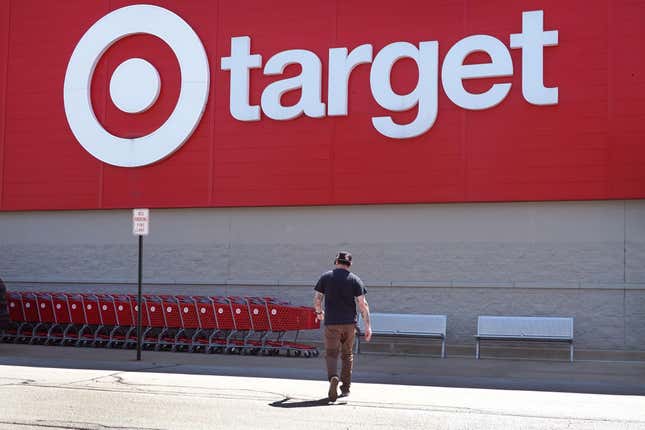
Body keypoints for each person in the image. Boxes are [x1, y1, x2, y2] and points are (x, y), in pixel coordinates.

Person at [314, 251, 372, 402]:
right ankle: (345, 388)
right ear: (349, 264)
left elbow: (318, 299)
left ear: (336, 262)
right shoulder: (355, 280)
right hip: (349, 324)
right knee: (347, 355)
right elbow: (363, 304)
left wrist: (319, 313)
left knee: (331, 353)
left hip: (331, 323)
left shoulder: (326, 277)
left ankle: (333, 377)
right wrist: (367, 326)